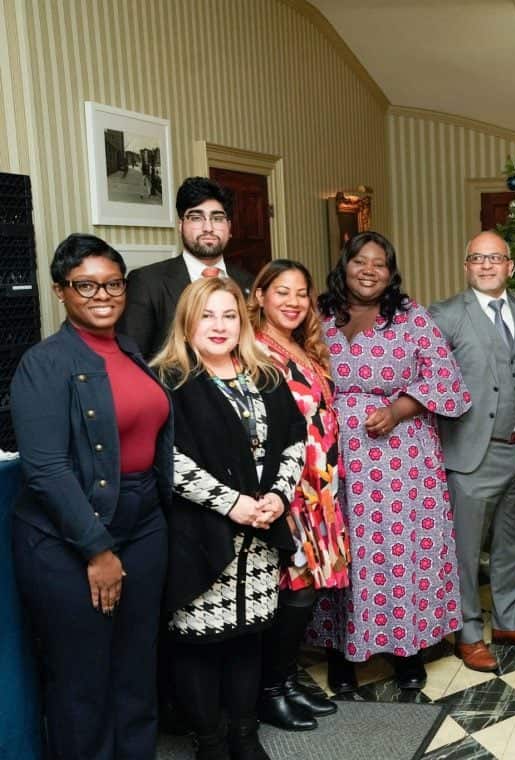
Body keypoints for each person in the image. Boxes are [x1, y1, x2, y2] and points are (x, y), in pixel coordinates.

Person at [11, 234, 171, 760]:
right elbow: (46, 469)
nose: (102, 295)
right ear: (61, 291)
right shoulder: (45, 363)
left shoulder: (129, 349)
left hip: (144, 520)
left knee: (135, 667)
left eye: (112, 283)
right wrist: (97, 549)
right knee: (83, 679)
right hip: (71, 536)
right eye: (85, 285)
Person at [308, 231, 471, 692]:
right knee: (346, 552)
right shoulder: (319, 315)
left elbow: (446, 378)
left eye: (379, 263)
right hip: (335, 459)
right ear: (345, 265)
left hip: (402, 458)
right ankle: (342, 652)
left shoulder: (410, 316)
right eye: (360, 261)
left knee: (401, 551)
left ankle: (408, 650)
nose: (368, 270)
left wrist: (399, 409)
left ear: (390, 271)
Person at [152, 276, 305, 760]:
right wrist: (230, 503)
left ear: (243, 321)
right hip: (201, 534)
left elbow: (294, 442)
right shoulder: (169, 381)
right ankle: (211, 742)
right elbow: (168, 459)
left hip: (260, 533)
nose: (219, 326)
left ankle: (245, 734)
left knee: (246, 639)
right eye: (208, 315)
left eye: (229, 315)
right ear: (187, 322)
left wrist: (279, 497)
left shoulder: (266, 377)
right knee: (201, 642)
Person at [429, 231, 515, 673]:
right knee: (464, 551)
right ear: (466, 266)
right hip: (468, 454)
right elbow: (421, 378)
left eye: (495, 258)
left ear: (511, 266)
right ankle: (466, 631)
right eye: (477, 259)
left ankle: (508, 621)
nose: (486, 266)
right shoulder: (444, 315)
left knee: (512, 544)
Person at [249, 260, 350, 729]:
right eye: (281, 292)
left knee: (305, 589)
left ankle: (285, 682)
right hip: (288, 490)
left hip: (320, 487)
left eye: (301, 293)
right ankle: (270, 691)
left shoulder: (302, 345)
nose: (292, 302)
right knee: (293, 589)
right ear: (261, 296)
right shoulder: (253, 349)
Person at [121, 176, 254, 358]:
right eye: (196, 217)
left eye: (217, 218)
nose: (208, 227)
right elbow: (134, 359)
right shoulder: (146, 282)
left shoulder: (248, 282)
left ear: (229, 227)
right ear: (181, 225)